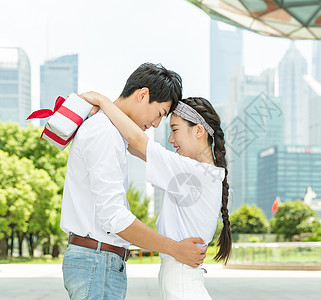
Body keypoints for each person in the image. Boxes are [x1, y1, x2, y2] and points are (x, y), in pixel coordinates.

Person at [60, 63, 207, 300]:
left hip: (99, 262)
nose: (157, 124)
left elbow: (143, 148)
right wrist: (175, 249)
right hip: (97, 262)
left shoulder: (111, 132)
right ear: (142, 95)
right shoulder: (105, 133)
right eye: (160, 113)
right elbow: (114, 217)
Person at [81, 91, 232, 300]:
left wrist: (101, 100)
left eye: (175, 129)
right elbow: (135, 147)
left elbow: (137, 140)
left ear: (198, 131)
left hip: (182, 284)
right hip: (182, 280)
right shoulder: (200, 173)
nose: (170, 139)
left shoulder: (195, 173)